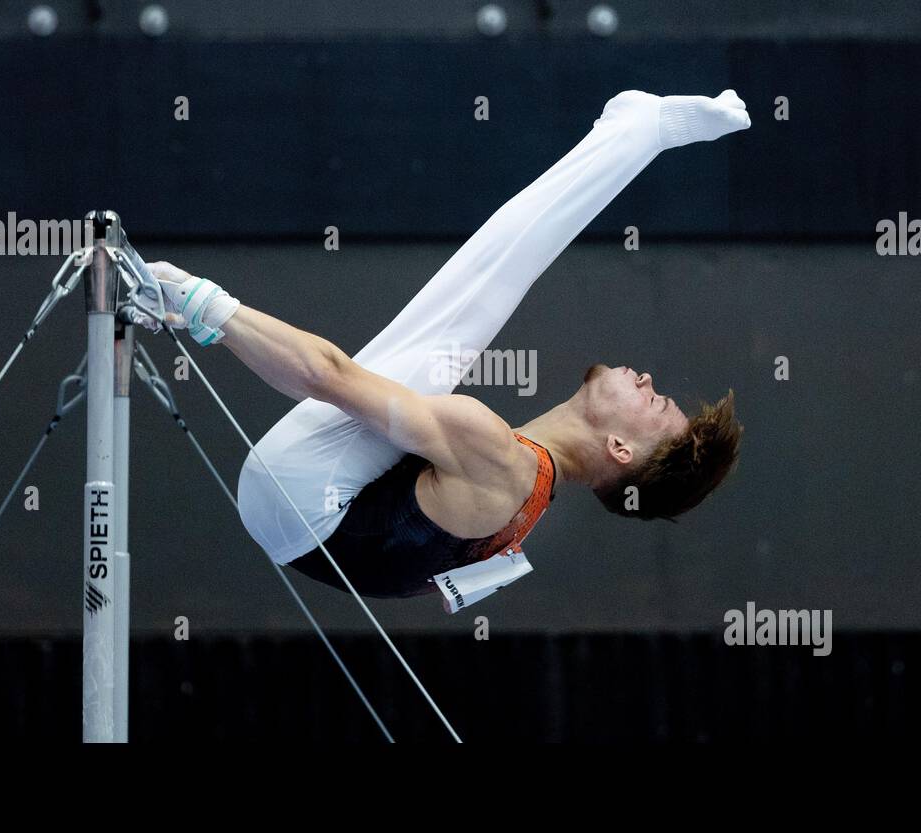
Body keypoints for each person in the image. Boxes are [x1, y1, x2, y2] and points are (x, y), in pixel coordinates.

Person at [145, 89, 749, 607]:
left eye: (656, 400)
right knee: (463, 319)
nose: (646, 379)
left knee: (474, 299)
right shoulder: (520, 506)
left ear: (619, 449)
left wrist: (201, 302)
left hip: (304, 501)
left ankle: (635, 130)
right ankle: (634, 132)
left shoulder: (497, 458)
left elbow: (324, 373)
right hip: (301, 527)